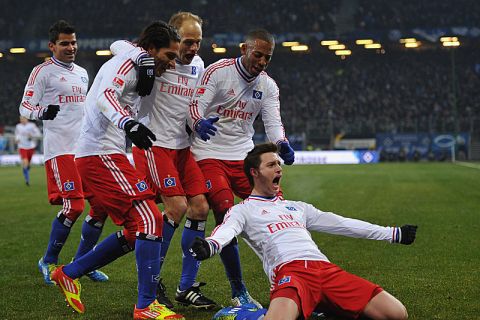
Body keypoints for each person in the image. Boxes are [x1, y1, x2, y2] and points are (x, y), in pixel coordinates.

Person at [49, 21, 184, 320]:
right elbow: (105, 96)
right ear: (150, 50)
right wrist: (128, 122)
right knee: (150, 219)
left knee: (140, 228)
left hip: (106, 153)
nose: (172, 63)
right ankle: (146, 306)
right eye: (169, 55)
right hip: (99, 152)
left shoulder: (136, 59)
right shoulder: (126, 62)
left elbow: (120, 44)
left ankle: (69, 272)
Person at [191, 142, 418, 320]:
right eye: (271, 165)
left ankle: (320, 306)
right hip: (291, 273)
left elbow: (341, 223)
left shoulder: (298, 208)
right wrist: (210, 245)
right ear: (254, 173)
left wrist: (392, 233)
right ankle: (242, 315)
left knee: (396, 313)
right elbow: (226, 230)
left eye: (278, 164)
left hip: (326, 271)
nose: (279, 168)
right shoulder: (243, 210)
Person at [110, 11, 216, 310]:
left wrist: (199, 122)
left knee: (200, 208)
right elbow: (116, 45)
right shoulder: (156, 58)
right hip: (155, 145)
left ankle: (187, 287)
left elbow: (194, 105)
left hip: (184, 147)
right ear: (173, 38)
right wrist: (143, 59)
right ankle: (152, 282)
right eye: (188, 41)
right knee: (176, 206)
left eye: (198, 42)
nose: (194, 48)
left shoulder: (198, 65)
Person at [187, 29, 295, 307]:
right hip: (208, 152)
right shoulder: (218, 72)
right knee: (225, 210)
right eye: (257, 54)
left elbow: (272, 122)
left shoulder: (268, 85)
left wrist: (281, 143)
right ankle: (239, 292)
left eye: (267, 58)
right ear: (244, 47)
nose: (261, 61)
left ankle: (296, 284)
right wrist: (199, 122)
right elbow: (194, 106)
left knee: (278, 214)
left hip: (244, 156)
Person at [19, 20, 108, 285]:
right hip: (60, 149)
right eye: (65, 43)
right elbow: (24, 107)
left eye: (73, 42)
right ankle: (48, 261)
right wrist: (41, 112)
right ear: (52, 46)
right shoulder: (42, 71)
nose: (71, 47)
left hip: (85, 149)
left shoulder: (82, 72)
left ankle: (83, 263)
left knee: (101, 206)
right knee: (75, 206)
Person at [14, 116, 42, 185]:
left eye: (23, 119)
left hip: (31, 146)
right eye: (20, 119)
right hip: (22, 146)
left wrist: (32, 135)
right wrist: (17, 139)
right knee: (25, 162)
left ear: (27, 119)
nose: (22, 120)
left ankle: (26, 168)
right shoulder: (18, 126)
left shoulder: (32, 126)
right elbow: (17, 134)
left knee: (28, 164)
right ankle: (27, 179)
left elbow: (39, 134)